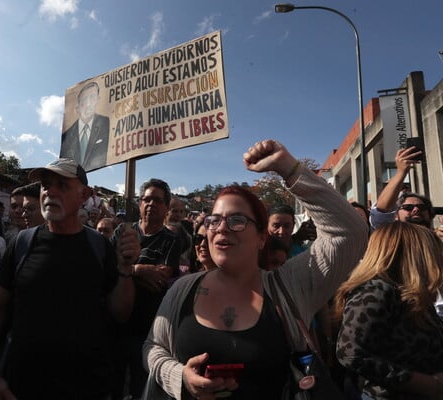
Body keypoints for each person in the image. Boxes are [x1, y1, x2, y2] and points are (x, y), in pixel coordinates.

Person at [142, 140, 368, 399]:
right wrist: (179, 377)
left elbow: (350, 233)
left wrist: (290, 169)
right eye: (214, 220)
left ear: (262, 237)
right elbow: (153, 348)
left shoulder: (289, 286)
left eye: (237, 220)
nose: (222, 228)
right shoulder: (183, 289)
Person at [0, 158, 140, 399]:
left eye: (62, 185)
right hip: (22, 385)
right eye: (46, 185)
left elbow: (120, 313)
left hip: (85, 387)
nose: (50, 192)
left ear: (84, 195)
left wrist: (126, 267)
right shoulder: (22, 243)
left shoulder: (100, 248)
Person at [335, 221, 443, 399]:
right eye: (431, 251)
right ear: (412, 254)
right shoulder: (376, 291)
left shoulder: (410, 292)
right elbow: (350, 353)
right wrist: (426, 384)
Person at [111, 178, 182, 400]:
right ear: (140, 203)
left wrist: (126, 270)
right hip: (115, 324)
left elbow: (161, 278)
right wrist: (139, 270)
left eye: (158, 201)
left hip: (148, 329)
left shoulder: (171, 240)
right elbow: (108, 270)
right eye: (146, 199)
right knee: (111, 385)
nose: (151, 204)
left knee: (141, 389)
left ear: (166, 206)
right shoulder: (123, 232)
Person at [370, 146, 434, 230]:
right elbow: (381, 211)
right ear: (396, 215)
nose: (416, 209)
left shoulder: (436, 239)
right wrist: (401, 172)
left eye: (422, 207)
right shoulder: (391, 235)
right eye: (408, 207)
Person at [60, 82, 110, 171]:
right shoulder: (67, 135)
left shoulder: (106, 123)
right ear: (78, 106)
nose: (88, 104)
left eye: (92, 98)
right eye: (84, 99)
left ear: (98, 100)